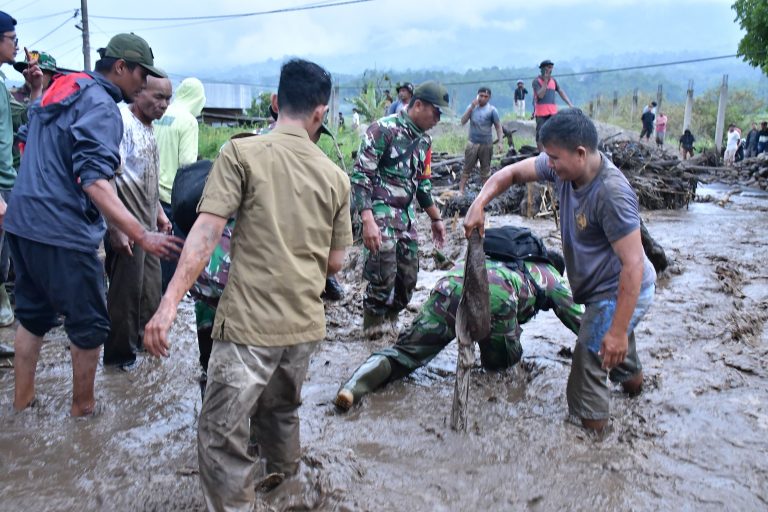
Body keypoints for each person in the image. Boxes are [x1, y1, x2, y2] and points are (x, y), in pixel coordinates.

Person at [143, 58, 352, 510]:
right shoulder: (336, 177)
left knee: (220, 434)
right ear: (320, 113)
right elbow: (336, 262)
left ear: (275, 102)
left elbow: (204, 235)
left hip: (247, 327)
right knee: (280, 416)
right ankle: (286, 494)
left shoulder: (241, 153)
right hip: (303, 326)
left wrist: (167, 305)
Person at [4, 33, 183, 417]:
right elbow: (94, 180)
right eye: (141, 75)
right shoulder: (102, 105)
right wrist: (140, 233)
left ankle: (22, 406)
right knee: (89, 325)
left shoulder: (64, 86)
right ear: (121, 68)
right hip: (61, 229)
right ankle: (83, 412)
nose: (143, 84)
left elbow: (35, 134)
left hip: (22, 222)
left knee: (32, 318)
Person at [464, 109, 657, 432]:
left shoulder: (611, 194)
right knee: (614, 347)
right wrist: (478, 204)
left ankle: (594, 448)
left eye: (553, 157)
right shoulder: (563, 169)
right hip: (603, 289)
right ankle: (639, 394)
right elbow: (510, 174)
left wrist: (618, 330)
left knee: (589, 361)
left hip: (619, 289)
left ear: (580, 153)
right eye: (546, 156)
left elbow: (633, 265)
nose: (547, 164)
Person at [334, 239, 584, 410]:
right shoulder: (551, 276)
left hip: (451, 284)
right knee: (502, 366)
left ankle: (352, 388)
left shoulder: (506, 257)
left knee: (404, 353)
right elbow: (582, 322)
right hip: (497, 295)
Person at [351, 81, 448, 339]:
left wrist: (436, 219)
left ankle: (390, 325)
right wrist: (367, 219)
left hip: (406, 219)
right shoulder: (383, 130)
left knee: (407, 280)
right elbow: (361, 177)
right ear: (418, 105)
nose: (438, 119)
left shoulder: (424, 142)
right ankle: (372, 332)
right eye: (436, 112)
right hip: (380, 214)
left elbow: (423, 184)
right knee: (381, 277)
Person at [103, 75, 174, 370]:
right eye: (158, 97)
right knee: (125, 294)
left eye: (168, 99)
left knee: (151, 290)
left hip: (147, 225)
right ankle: (119, 360)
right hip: (126, 224)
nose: (164, 105)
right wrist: (115, 228)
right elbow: (106, 177)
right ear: (139, 91)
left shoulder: (148, 128)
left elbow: (147, 177)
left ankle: (146, 345)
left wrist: (159, 212)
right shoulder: (120, 122)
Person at [0, 11, 42, 329]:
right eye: (13, 40)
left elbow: (24, 123)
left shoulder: (3, 85)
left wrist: (34, 89)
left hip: (8, 182)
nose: (17, 47)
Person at [154, 76, 206, 291]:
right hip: (171, 200)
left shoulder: (160, 114)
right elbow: (187, 168)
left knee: (153, 260)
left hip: (151, 197)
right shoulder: (188, 121)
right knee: (170, 259)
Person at [459, 86, 504, 194]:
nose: (483, 98)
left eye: (486, 96)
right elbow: (463, 121)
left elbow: (498, 126)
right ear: (477, 95)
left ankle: (486, 193)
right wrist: (471, 108)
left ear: (489, 98)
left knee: (485, 170)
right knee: (467, 168)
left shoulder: (492, 110)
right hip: (473, 143)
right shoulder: (471, 107)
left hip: (486, 144)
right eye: (481, 96)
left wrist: (500, 142)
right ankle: (461, 190)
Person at [532, 60, 573, 150]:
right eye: (548, 67)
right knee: (540, 134)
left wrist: (570, 104)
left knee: (553, 133)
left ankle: (552, 152)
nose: (550, 70)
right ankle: (541, 155)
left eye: (551, 68)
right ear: (542, 69)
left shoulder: (553, 81)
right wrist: (545, 82)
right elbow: (540, 95)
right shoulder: (536, 81)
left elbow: (560, 91)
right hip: (541, 113)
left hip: (552, 112)